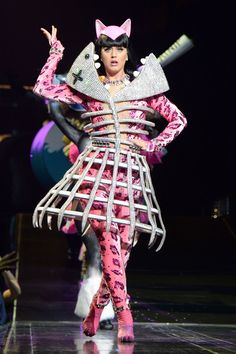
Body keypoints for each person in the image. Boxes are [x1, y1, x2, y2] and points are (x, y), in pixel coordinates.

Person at [32, 19, 187, 342]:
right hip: (96, 176)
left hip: (130, 179)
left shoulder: (145, 91)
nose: (113, 54)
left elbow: (178, 119)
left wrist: (155, 143)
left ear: (127, 53)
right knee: (108, 244)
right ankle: (125, 317)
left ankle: (92, 313)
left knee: (122, 252)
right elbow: (43, 88)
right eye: (107, 49)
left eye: (119, 48)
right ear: (99, 54)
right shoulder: (89, 89)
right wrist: (56, 52)